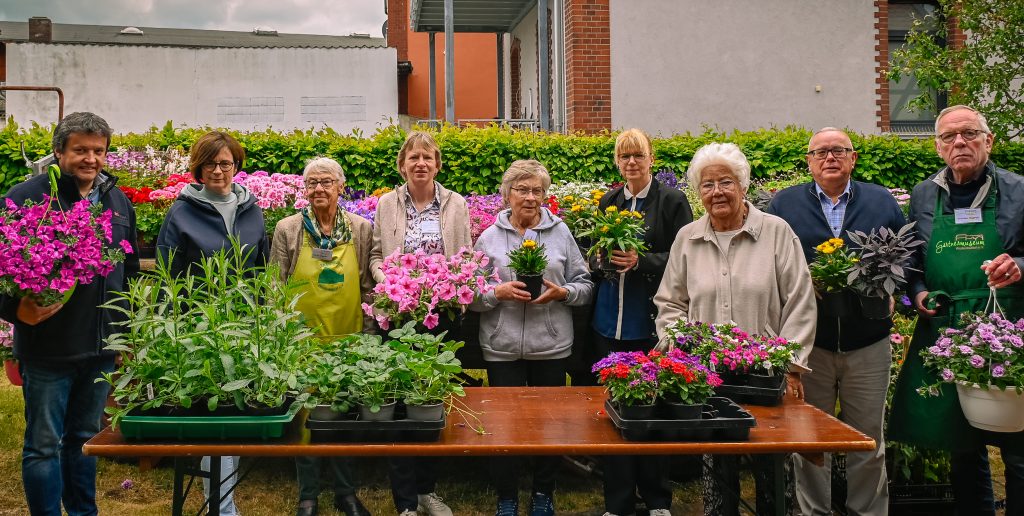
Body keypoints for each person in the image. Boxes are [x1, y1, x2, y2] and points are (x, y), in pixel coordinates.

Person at [653, 142, 816, 516]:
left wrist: (790, 365)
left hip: (766, 375)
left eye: (725, 182)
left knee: (772, 470)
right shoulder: (688, 238)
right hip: (708, 377)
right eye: (707, 185)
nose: (717, 192)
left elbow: (800, 303)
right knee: (718, 471)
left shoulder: (776, 233)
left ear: (743, 185)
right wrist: (682, 351)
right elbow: (670, 303)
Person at [0, 112, 139, 516]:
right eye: (80, 150)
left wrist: (123, 335)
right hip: (48, 350)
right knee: (43, 445)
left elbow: (126, 275)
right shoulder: (27, 197)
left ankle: (82, 512)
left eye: (98, 151)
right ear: (59, 151)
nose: (90, 159)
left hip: (98, 348)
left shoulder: (116, 201)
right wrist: (14, 309)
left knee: (83, 438)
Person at [888, 105, 1024, 516]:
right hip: (948, 332)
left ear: (989, 140)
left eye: (969, 133)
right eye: (949, 137)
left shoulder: (1019, 189)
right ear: (938, 147)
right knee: (961, 444)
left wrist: (1020, 265)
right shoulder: (924, 193)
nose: (959, 142)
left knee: (1019, 447)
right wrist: (919, 291)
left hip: (1009, 328)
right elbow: (912, 262)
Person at [767, 127, 905, 516]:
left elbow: (907, 257)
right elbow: (770, 265)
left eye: (839, 150)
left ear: (853, 158)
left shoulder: (880, 201)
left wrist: (894, 290)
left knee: (868, 440)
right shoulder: (785, 205)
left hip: (868, 341)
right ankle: (814, 512)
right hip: (812, 347)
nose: (830, 158)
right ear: (809, 161)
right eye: (820, 152)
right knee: (809, 440)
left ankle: (868, 511)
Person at [471, 159, 594, 516]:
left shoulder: (561, 233)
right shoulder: (488, 238)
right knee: (502, 424)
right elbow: (471, 294)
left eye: (537, 190)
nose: (529, 197)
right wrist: (498, 293)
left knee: (551, 424)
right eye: (522, 190)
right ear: (507, 194)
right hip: (502, 346)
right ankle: (506, 495)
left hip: (550, 345)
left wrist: (563, 293)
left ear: (545, 194)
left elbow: (585, 285)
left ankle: (544, 493)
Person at [157, 130, 269, 516]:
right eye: (211, 163)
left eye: (226, 163)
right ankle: (219, 505)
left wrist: (262, 319)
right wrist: (165, 327)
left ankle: (223, 503)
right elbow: (168, 277)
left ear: (236, 166)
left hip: (242, 326)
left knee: (235, 411)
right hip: (198, 330)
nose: (219, 171)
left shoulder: (252, 209)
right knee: (210, 415)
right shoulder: (182, 211)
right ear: (198, 168)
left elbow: (260, 270)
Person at [591, 129, 692, 516]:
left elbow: (684, 256)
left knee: (651, 409)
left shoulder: (671, 201)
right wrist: (600, 261)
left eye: (638, 155)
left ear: (651, 159)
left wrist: (641, 262)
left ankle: (656, 499)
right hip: (608, 322)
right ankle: (617, 501)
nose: (631, 162)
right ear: (617, 161)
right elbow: (599, 251)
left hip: (647, 321)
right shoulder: (610, 200)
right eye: (624, 156)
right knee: (612, 409)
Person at [370, 131, 466, 516]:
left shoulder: (456, 204)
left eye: (427, 157)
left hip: (440, 317)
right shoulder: (386, 204)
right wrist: (387, 281)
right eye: (414, 158)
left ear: (437, 164)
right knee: (398, 405)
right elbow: (376, 256)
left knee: (431, 402)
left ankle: (428, 489)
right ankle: (406, 500)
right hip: (399, 316)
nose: (421, 164)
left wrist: (449, 286)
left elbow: (465, 257)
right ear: (402, 164)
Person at [270, 157, 373, 516]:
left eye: (327, 182)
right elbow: (275, 286)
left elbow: (366, 287)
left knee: (346, 415)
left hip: (349, 337)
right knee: (305, 419)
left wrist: (370, 334)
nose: (319, 189)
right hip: (303, 340)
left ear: (341, 187)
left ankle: (346, 493)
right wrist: (280, 335)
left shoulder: (360, 229)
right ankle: (308, 496)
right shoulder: (288, 229)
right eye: (312, 183)